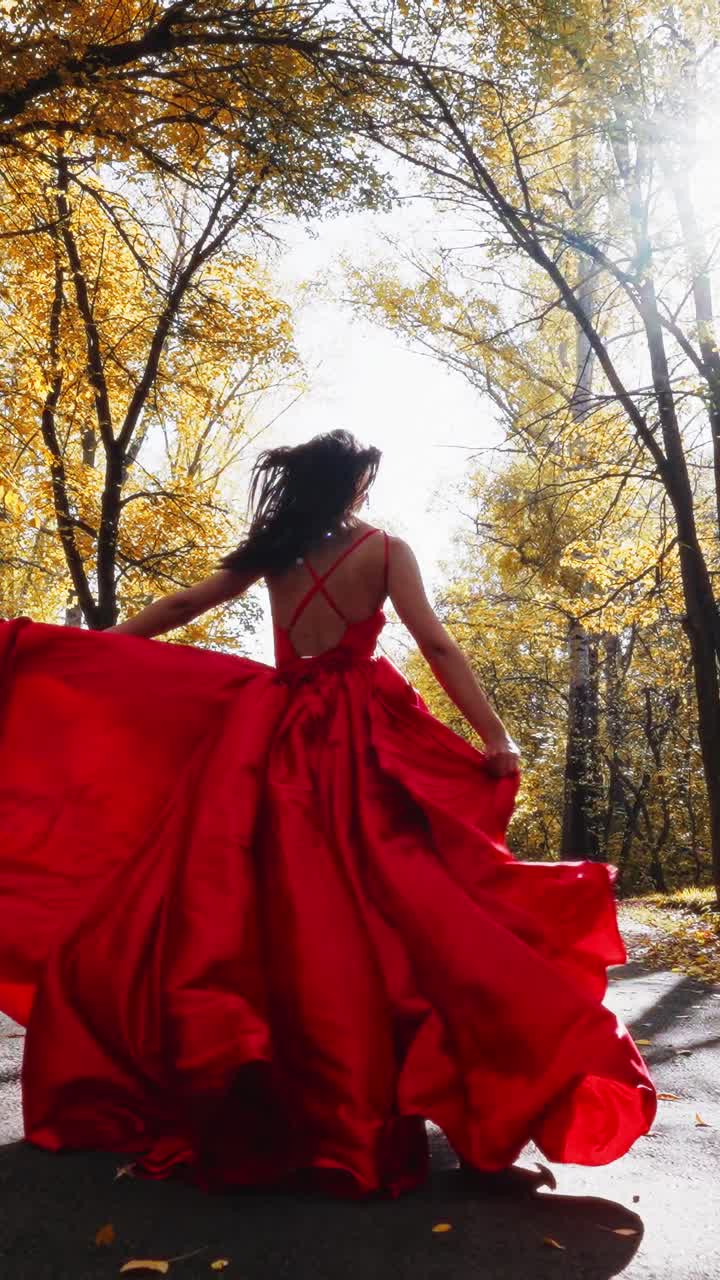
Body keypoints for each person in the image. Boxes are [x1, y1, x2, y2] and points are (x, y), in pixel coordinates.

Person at [0, 430, 655, 1196]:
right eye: (364, 481)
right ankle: (364, 1084)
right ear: (352, 486)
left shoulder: (276, 549)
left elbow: (184, 604)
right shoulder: (385, 550)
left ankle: (279, 1081)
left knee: (261, 907)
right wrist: (494, 735)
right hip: (362, 732)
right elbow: (435, 645)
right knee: (393, 900)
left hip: (273, 733)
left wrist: (100, 652)